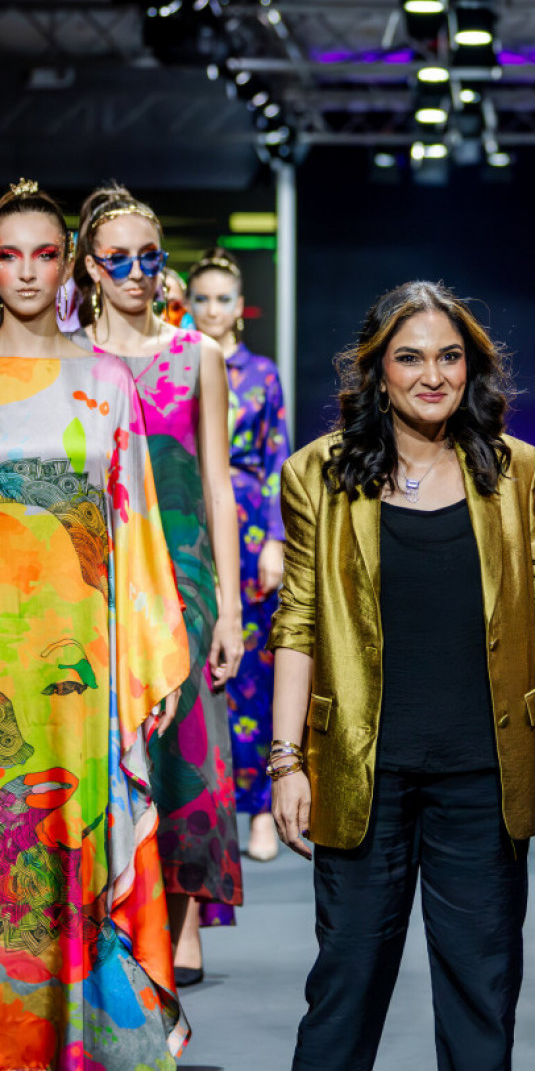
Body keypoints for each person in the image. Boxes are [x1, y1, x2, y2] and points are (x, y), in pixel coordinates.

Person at [268, 280, 535, 1071]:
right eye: (410, 357)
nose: (432, 375)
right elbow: (299, 622)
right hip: (363, 770)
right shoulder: (318, 474)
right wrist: (286, 760)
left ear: (470, 367)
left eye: (449, 357)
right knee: (344, 993)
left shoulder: (512, 468)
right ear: (377, 370)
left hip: (483, 776)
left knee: (483, 1001)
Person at [0, 179, 190, 1068]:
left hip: (76, 663)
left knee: (65, 839)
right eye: (8, 255)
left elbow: (135, 524)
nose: (26, 271)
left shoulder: (105, 381)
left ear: (68, 263)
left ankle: (71, 1043)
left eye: (44, 253)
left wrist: (146, 660)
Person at [72, 184, 243, 987]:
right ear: (90, 266)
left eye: (150, 257)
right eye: (119, 259)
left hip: (183, 574)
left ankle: (182, 917)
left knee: (185, 747)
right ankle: (110, 914)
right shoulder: (70, 356)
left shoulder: (197, 354)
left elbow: (218, 483)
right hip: (98, 571)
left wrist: (231, 608)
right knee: (108, 740)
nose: (137, 272)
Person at [187, 247, 291, 863]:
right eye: (201, 298)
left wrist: (277, 537)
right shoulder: (176, 362)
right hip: (188, 516)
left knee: (253, 668)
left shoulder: (262, 374)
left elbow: (279, 457)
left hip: (249, 521)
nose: (212, 309)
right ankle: (205, 798)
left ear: (240, 305)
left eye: (222, 298)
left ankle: (258, 807)